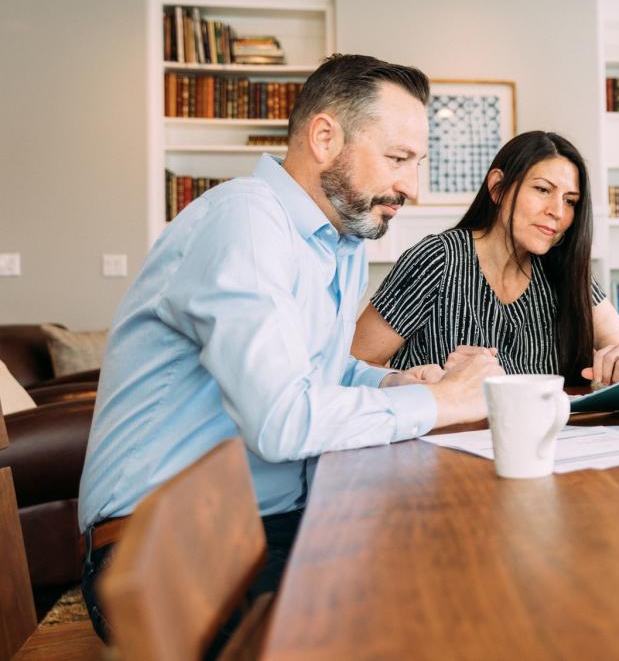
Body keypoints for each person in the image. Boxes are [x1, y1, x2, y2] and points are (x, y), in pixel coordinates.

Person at [78, 54, 502, 641]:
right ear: (324, 137)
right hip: (165, 553)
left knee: (458, 574)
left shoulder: (339, 243)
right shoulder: (245, 219)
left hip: (268, 524)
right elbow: (282, 419)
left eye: (418, 163)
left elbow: (313, 370)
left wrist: (391, 382)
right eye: (399, 159)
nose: (413, 187)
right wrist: (449, 402)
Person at [352, 130, 619, 388]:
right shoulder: (437, 259)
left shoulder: (565, 270)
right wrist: (426, 383)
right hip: (440, 445)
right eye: (542, 189)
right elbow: (354, 364)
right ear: (498, 188)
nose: (558, 212)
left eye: (570, 201)